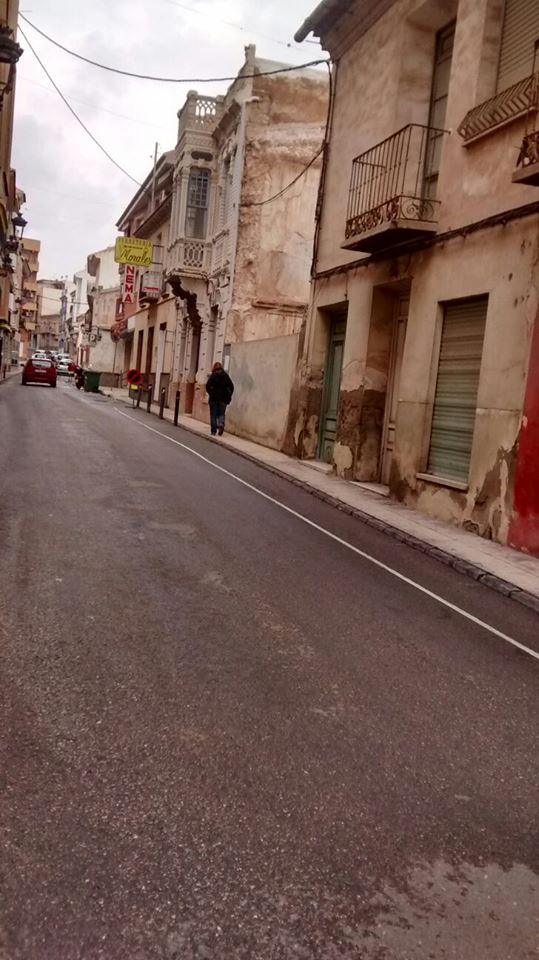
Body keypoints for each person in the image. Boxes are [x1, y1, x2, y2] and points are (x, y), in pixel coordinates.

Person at [206, 361, 234, 436]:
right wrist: (228, 395)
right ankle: (221, 424)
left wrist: (211, 393)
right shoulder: (225, 376)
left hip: (213, 399)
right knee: (221, 413)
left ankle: (213, 430)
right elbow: (231, 386)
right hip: (223, 399)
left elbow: (207, 386)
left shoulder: (212, 376)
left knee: (213, 414)